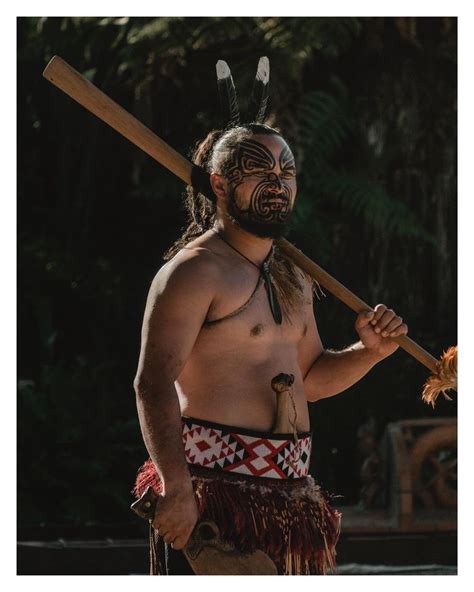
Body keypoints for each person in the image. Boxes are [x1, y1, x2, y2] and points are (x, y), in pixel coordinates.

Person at [132, 123, 408, 575]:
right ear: (219, 185)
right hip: (213, 499)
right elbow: (152, 382)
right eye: (259, 170)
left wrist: (369, 351)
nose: (278, 184)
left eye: (287, 171)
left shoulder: (294, 276)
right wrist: (176, 486)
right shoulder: (194, 272)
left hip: (292, 499)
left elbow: (312, 379)